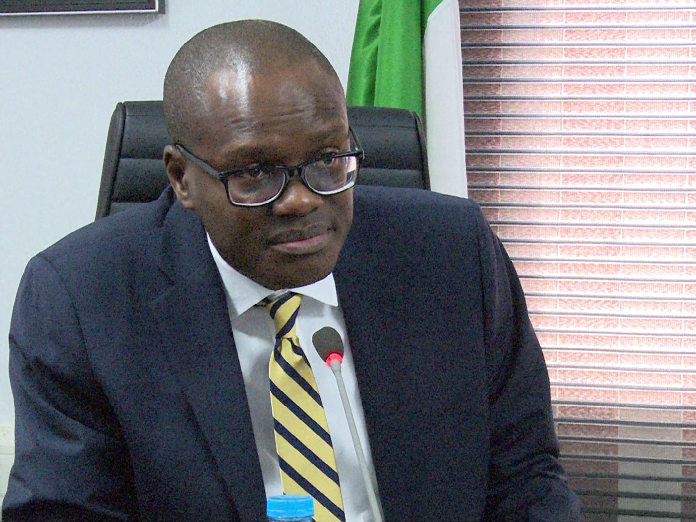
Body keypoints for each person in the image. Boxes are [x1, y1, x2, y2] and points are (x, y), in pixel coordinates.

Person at [3, 19, 580, 522]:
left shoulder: (449, 254)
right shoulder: (81, 299)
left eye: (328, 159)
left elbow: (526, 477)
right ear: (181, 178)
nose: (302, 200)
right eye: (255, 172)